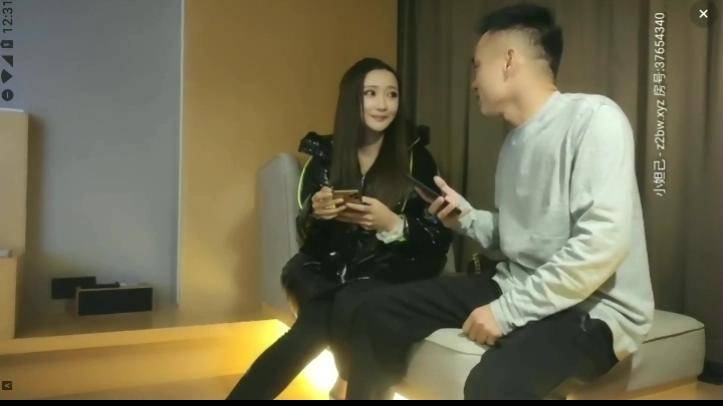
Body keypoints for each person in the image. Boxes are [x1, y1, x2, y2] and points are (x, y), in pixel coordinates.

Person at [344, 5, 655, 400]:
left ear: (508, 61)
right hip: (516, 284)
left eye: (477, 67)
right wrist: (466, 219)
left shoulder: (594, 119)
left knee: (494, 384)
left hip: (593, 309)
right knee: (374, 311)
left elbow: (601, 246)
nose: (473, 82)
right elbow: (523, 237)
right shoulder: (513, 143)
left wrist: (506, 313)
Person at [226, 57, 452, 400]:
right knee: (316, 324)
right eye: (371, 93)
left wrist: (394, 224)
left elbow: (438, 237)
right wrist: (317, 213)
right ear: (351, 100)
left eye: (391, 94)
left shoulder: (416, 158)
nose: (383, 104)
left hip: (391, 273)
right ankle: (341, 384)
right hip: (328, 273)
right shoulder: (325, 157)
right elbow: (307, 236)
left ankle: (343, 384)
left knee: (333, 319)